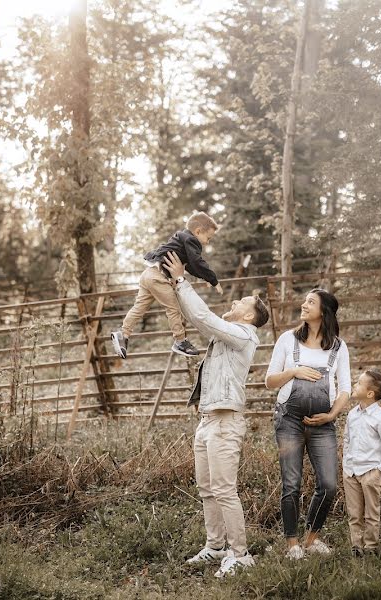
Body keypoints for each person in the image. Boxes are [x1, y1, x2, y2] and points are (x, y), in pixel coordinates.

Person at [162, 250, 270, 578]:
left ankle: (240, 553)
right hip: (208, 421)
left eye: (242, 303)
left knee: (224, 489)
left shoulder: (244, 334)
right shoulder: (227, 337)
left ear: (250, 317)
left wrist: (181, 280)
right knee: (207, 489)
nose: (235, 303)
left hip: (225, 424)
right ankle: (216, 546)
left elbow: (204, 318)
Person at [265, 288, 351, 559]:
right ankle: (292, 545)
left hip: (322, 425)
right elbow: (269, 381)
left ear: (323, 311)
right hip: (288, 420)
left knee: (328, 485)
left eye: (310, 302)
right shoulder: (287, 340)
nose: (303, 305)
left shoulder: (338, 346)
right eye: (304, 300)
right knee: (291, 483)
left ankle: (312, 539)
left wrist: (331, 415)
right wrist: (293, 371)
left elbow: (345, 388)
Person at [111, 212, 224, 359]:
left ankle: (123, 334)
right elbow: (196, 263)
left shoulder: (181, 239)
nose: (207, 242)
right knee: (173, 308)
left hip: (148, 273)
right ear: (198, 232)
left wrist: (205, 278)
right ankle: (180, 341)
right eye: (208, 238)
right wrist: (214, 280)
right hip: (159, 278)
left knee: (139, 307)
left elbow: (190, 266)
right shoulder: (191, 241)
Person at [339, 370, 381, 556]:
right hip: (351, 472)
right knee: (354, 514)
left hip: (370, 472)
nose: (354, 386)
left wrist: (379, 470)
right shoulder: (352, 414)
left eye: (358, 383)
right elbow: (347, 439)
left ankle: (371, 547)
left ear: (370, 393)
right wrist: (345, 463)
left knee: (371, 514)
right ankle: (356, 548)